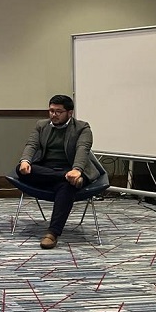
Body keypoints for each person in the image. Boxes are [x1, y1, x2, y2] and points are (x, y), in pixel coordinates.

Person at [16, 94, 99, 249]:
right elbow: (31, 144)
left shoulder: (82, 128)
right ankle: (64, 177)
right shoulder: (42, 125)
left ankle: (52, 233)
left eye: (58, 112)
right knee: (20, 169)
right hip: (48, 170)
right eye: (51, 111)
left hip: (71, 168)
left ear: (70, 113)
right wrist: (25, 160)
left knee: (67, 187)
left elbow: (83, 149)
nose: (53, 115)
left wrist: (76, 170)